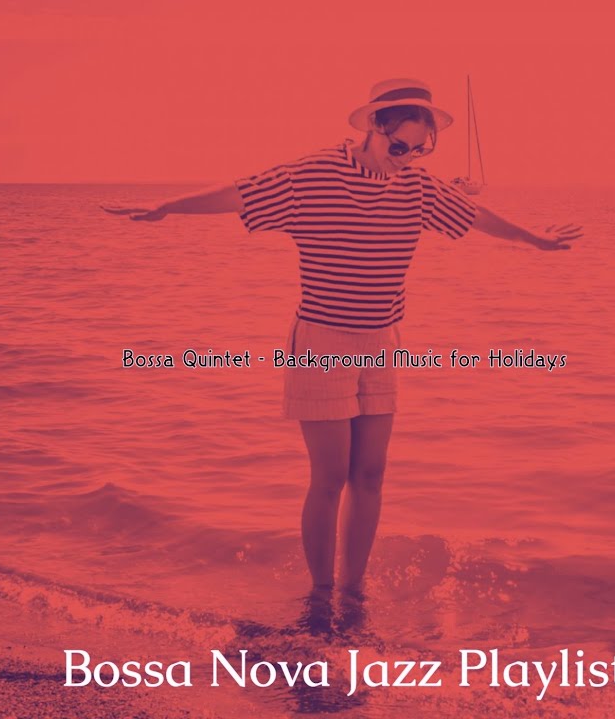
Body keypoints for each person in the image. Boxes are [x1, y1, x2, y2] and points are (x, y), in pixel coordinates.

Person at [103, 78, 581, 624]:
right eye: (399, 145)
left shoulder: (418, 187)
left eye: (420, 149)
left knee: (370, 475)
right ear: (374, 126)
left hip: (381, 340)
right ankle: (319, 595)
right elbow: (240, 193)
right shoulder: (314, 174)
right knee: (330, 478)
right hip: (322, 339)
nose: (407, 158)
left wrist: (536, 240)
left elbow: (479, 219)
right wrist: (167, 207)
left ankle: (353, 596)